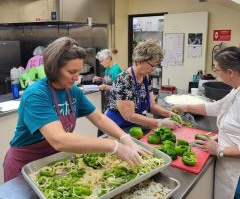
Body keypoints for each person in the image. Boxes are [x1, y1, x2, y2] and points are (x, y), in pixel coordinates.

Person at [3, 37, 151, 182]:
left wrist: (124, 138)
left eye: (78, 71)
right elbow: (59, 140)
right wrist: (113, 146)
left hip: (53, 161)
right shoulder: (36, 95)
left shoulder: (72, 91)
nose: (76, 77)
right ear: (53, 69)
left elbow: (99, 118)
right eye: (71, 72)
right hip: (26, 166)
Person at [174, 46, 240, 199]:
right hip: (227, 168)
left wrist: (219, 149)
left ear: (230, 72)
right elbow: (215, 108)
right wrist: (185, 106)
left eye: (217, 70)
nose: (216, 74)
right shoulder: (236, 90)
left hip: (237, 174)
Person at [105, 39, 181, 134]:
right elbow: (129, 115)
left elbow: (152, 106)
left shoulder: (146, 78)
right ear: (138, 61)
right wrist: (159, 122)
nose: (153, 69)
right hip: (117, 127)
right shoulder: (124, 80)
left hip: (135, 125)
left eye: (156, 66)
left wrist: (169, 113)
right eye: (151, 65)